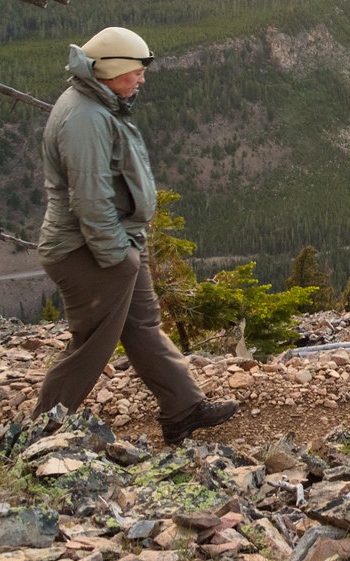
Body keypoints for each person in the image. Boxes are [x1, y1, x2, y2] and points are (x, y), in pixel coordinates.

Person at [35, 26, 237, 445]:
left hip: (114, 243)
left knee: (142, 327)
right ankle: (39, 432)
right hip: (88, 251)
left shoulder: (99, 104)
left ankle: (183, 408)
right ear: (109, 70)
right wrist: (118, 258)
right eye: (136, 70)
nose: (142, 77)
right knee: (91, 346)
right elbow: (90, 200)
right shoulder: (86, 118)